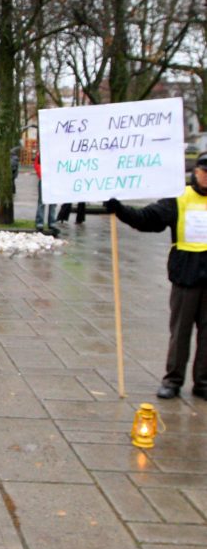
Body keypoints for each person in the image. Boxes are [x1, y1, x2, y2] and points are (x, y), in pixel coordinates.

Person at [105, 152, 207, 401]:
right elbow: (148, 219)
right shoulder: (180, 197)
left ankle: (203, 382)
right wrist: (120, 209)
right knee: (180, 331)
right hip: (186, 276)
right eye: (205, 172)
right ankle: (173, 380)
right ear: (196, 172)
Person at [34, 150, 59, 237]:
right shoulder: (42, 152)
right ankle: (40, 223)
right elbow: (37, 164)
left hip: (54, 179)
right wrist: (41, 174)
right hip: (44, 178)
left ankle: (52, 223)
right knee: (42, 201)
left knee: (53, 202)